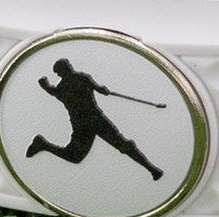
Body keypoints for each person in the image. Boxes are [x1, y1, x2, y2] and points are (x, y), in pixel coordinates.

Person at [24, 58, 163, 181]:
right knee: (82, 155)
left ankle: (152, 169)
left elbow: (56, 92)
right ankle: (42, 144)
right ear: (63, 71)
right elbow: (98, 89)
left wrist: (45, 86)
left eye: (66, 67)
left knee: (120, 145)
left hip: (90, 121)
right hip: (86, 123)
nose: (68, 69)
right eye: (65, 68)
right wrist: (102, 89)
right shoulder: (79, 79)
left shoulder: (70, 84)